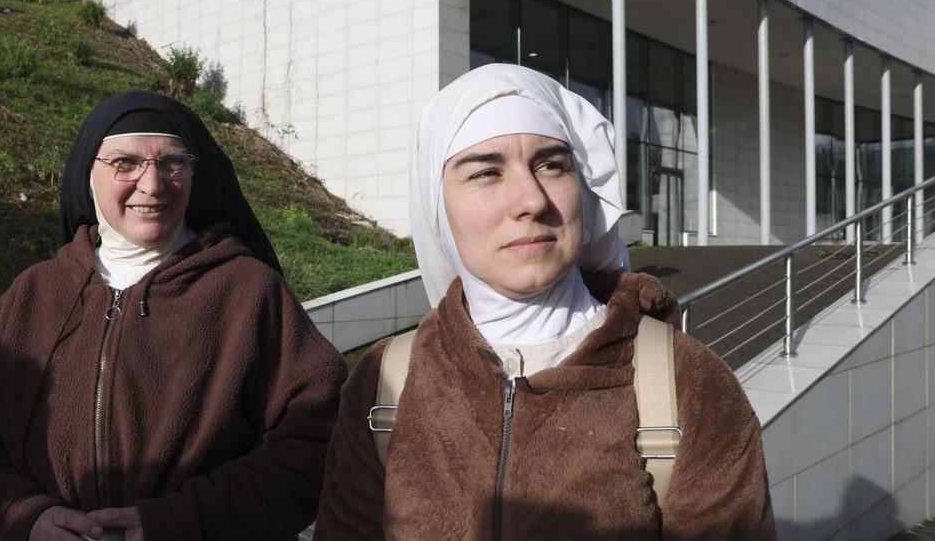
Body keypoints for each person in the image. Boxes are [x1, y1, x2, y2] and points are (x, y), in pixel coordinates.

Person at [314, 64, 775, 539]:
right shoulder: (385, 382)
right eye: (486, 173)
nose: (531, 200)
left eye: (551, 165)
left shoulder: (689, 384)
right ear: (437, 206)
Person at [0, 91, 346, 541]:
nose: (152, 185)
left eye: (172, 163)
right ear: (87, 176)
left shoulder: (249, 293)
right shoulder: (33, 294)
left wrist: (183, 522)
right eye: (125, 163)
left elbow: (317, 441)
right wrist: (21, 515)